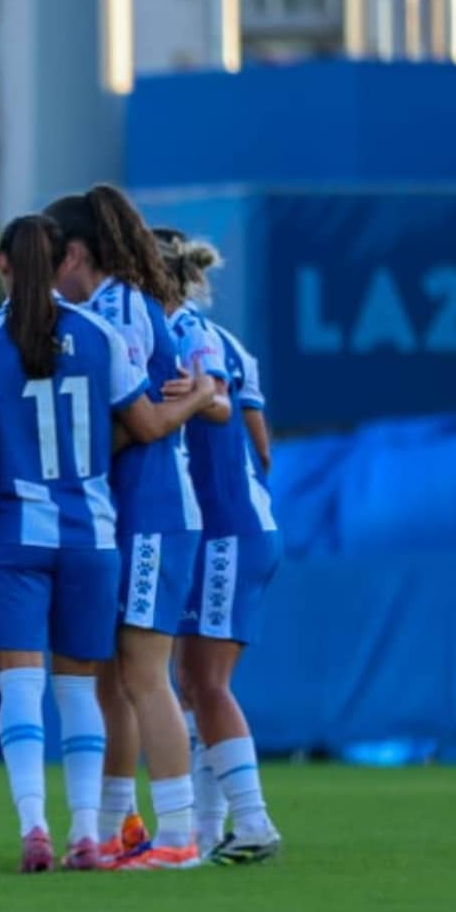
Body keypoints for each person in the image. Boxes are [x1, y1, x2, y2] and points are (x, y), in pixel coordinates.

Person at [0, 213, 216, 873]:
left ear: (3, 266)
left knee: (20, 686)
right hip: (91, 533)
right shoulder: (100, 334)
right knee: (80, 690)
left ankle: (34, 825)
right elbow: (147, 423)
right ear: (62, 259)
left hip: (14, 531)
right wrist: (203, 393)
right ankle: (87, 832)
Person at [44, 185, 210, 869]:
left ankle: (178, 834)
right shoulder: (112, 307)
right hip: (126, 512)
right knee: (115, 677)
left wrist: (63, 454)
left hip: (150, 510)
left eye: (50, 260)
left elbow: (135, 422)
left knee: (144, 674)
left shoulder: (117, 310)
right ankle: (117, 827)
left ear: (75, 254)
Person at [157, 228, 285, 866]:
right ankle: (209, 833)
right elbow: (262, 448)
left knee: (204, 682)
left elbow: (220, 409)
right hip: (240, 521)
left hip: (223, 528)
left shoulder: (180, 336)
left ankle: (253, 821)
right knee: (193, 682)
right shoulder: (227, 340)